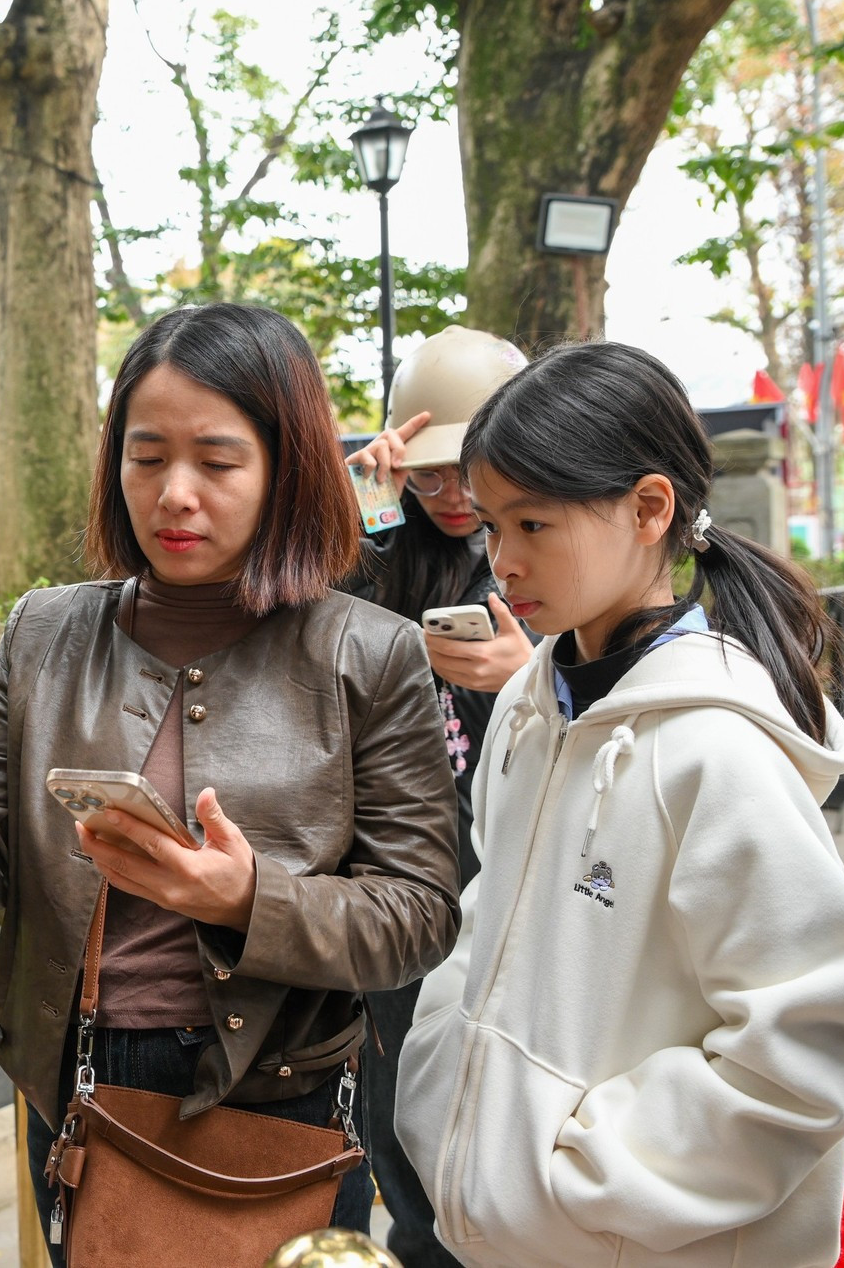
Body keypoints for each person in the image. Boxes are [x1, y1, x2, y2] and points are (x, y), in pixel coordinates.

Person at [0, 302, 463, 1263]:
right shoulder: (47, 633)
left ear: (288, 469)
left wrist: (245, 898)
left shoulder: (371, 653)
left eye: (218, 462)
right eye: (146, 458)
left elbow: (417, 912)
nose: (174, 493)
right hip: (76, 1087)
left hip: (277, 1098)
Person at [397, 341, 844, 1267]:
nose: (502, 560)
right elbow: (480, 931)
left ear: (650, 507)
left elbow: (804, 1052)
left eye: (533, 525)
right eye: (492, 527)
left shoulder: (716, 750)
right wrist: (445, 1098)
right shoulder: (529, 708)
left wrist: (580, 1178)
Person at [341, 326, 530, 1268]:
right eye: (428, 476)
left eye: (470, 472)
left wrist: (525, 676)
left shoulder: (550, 545)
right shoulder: (383, 545)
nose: (452, 498)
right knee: (403, 1131)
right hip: (401, 885)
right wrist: (362, 516)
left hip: (524, 892)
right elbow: (302, 651)